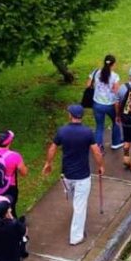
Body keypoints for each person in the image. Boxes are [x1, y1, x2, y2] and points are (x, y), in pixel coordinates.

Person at [43, 104, 104, 246]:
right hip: (82, 176)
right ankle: (76, 237)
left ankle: (77, 229)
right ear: (81, 116)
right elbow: (96, 151)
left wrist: (48, 163)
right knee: (79, 206)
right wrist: (101, 166)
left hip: (66, 175)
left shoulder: (62, 131)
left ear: (70, 115)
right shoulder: (88, 132)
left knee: (74, 200)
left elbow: (52, 148)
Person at [86, 54, 122, 150]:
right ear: (113, 64)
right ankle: (116, 142)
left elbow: (88, 84)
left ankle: (98, 147)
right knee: (116, 121)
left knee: (99, 126)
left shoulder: (96, 72)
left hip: (97, 104)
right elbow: (116, 91)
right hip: (110, 105)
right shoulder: (115, 76)